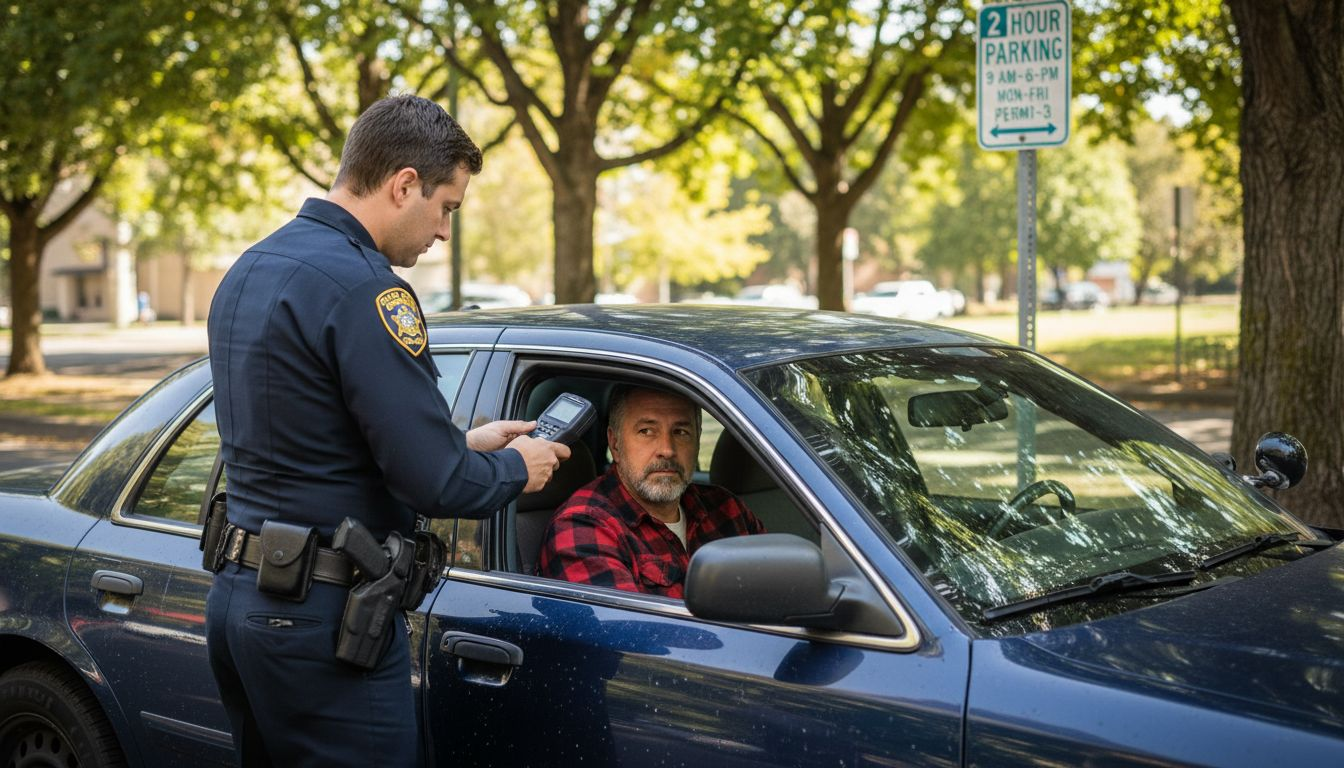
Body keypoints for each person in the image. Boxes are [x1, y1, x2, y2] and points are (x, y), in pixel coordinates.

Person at [204, 94, 569, 767]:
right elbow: (438, 485)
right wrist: (521, 467)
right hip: (323, 621)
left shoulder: (251, 267)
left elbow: (309, 438)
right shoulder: (366, 289)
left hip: (240, 602)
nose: (444, 233)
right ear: (404, 184)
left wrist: (465, 444)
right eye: (446, 207)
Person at [536, 384, 764, 598]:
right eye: (646, 431)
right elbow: (626, 626)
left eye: (681, 432)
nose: (667, 449)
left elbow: (776, 591)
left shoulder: (726, 508)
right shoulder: (582, 526)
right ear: (615, 444)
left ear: (697, 440)